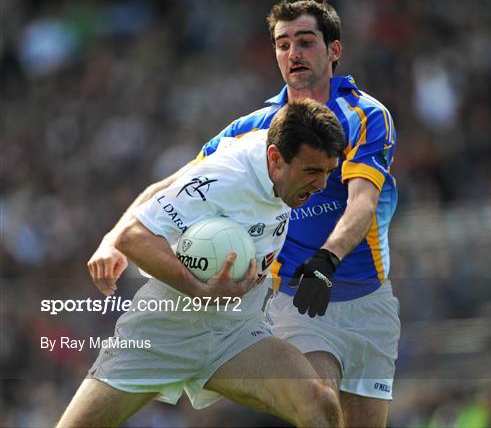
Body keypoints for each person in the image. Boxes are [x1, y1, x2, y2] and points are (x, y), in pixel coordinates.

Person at [88, 0, 400, 428]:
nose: (294, 54)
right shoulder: (252, 128)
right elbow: (169, 186)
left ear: (334, 50)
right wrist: (113, 237)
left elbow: (362, 200)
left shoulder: (365, 115)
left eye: (306, 42)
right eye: (283, 44)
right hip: (295, 296)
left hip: (365, 297)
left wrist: (327, 259)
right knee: (318, 402)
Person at [57, 99, 346, 427]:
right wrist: (197, 287)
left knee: (320, 405)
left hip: (236, 332)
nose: (321, 184)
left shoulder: (268, 152)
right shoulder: (227, 177)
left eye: (327, 172)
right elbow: (134, 237)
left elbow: (169, 183)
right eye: (311, 172)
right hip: (164, 331)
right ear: (276, 159)